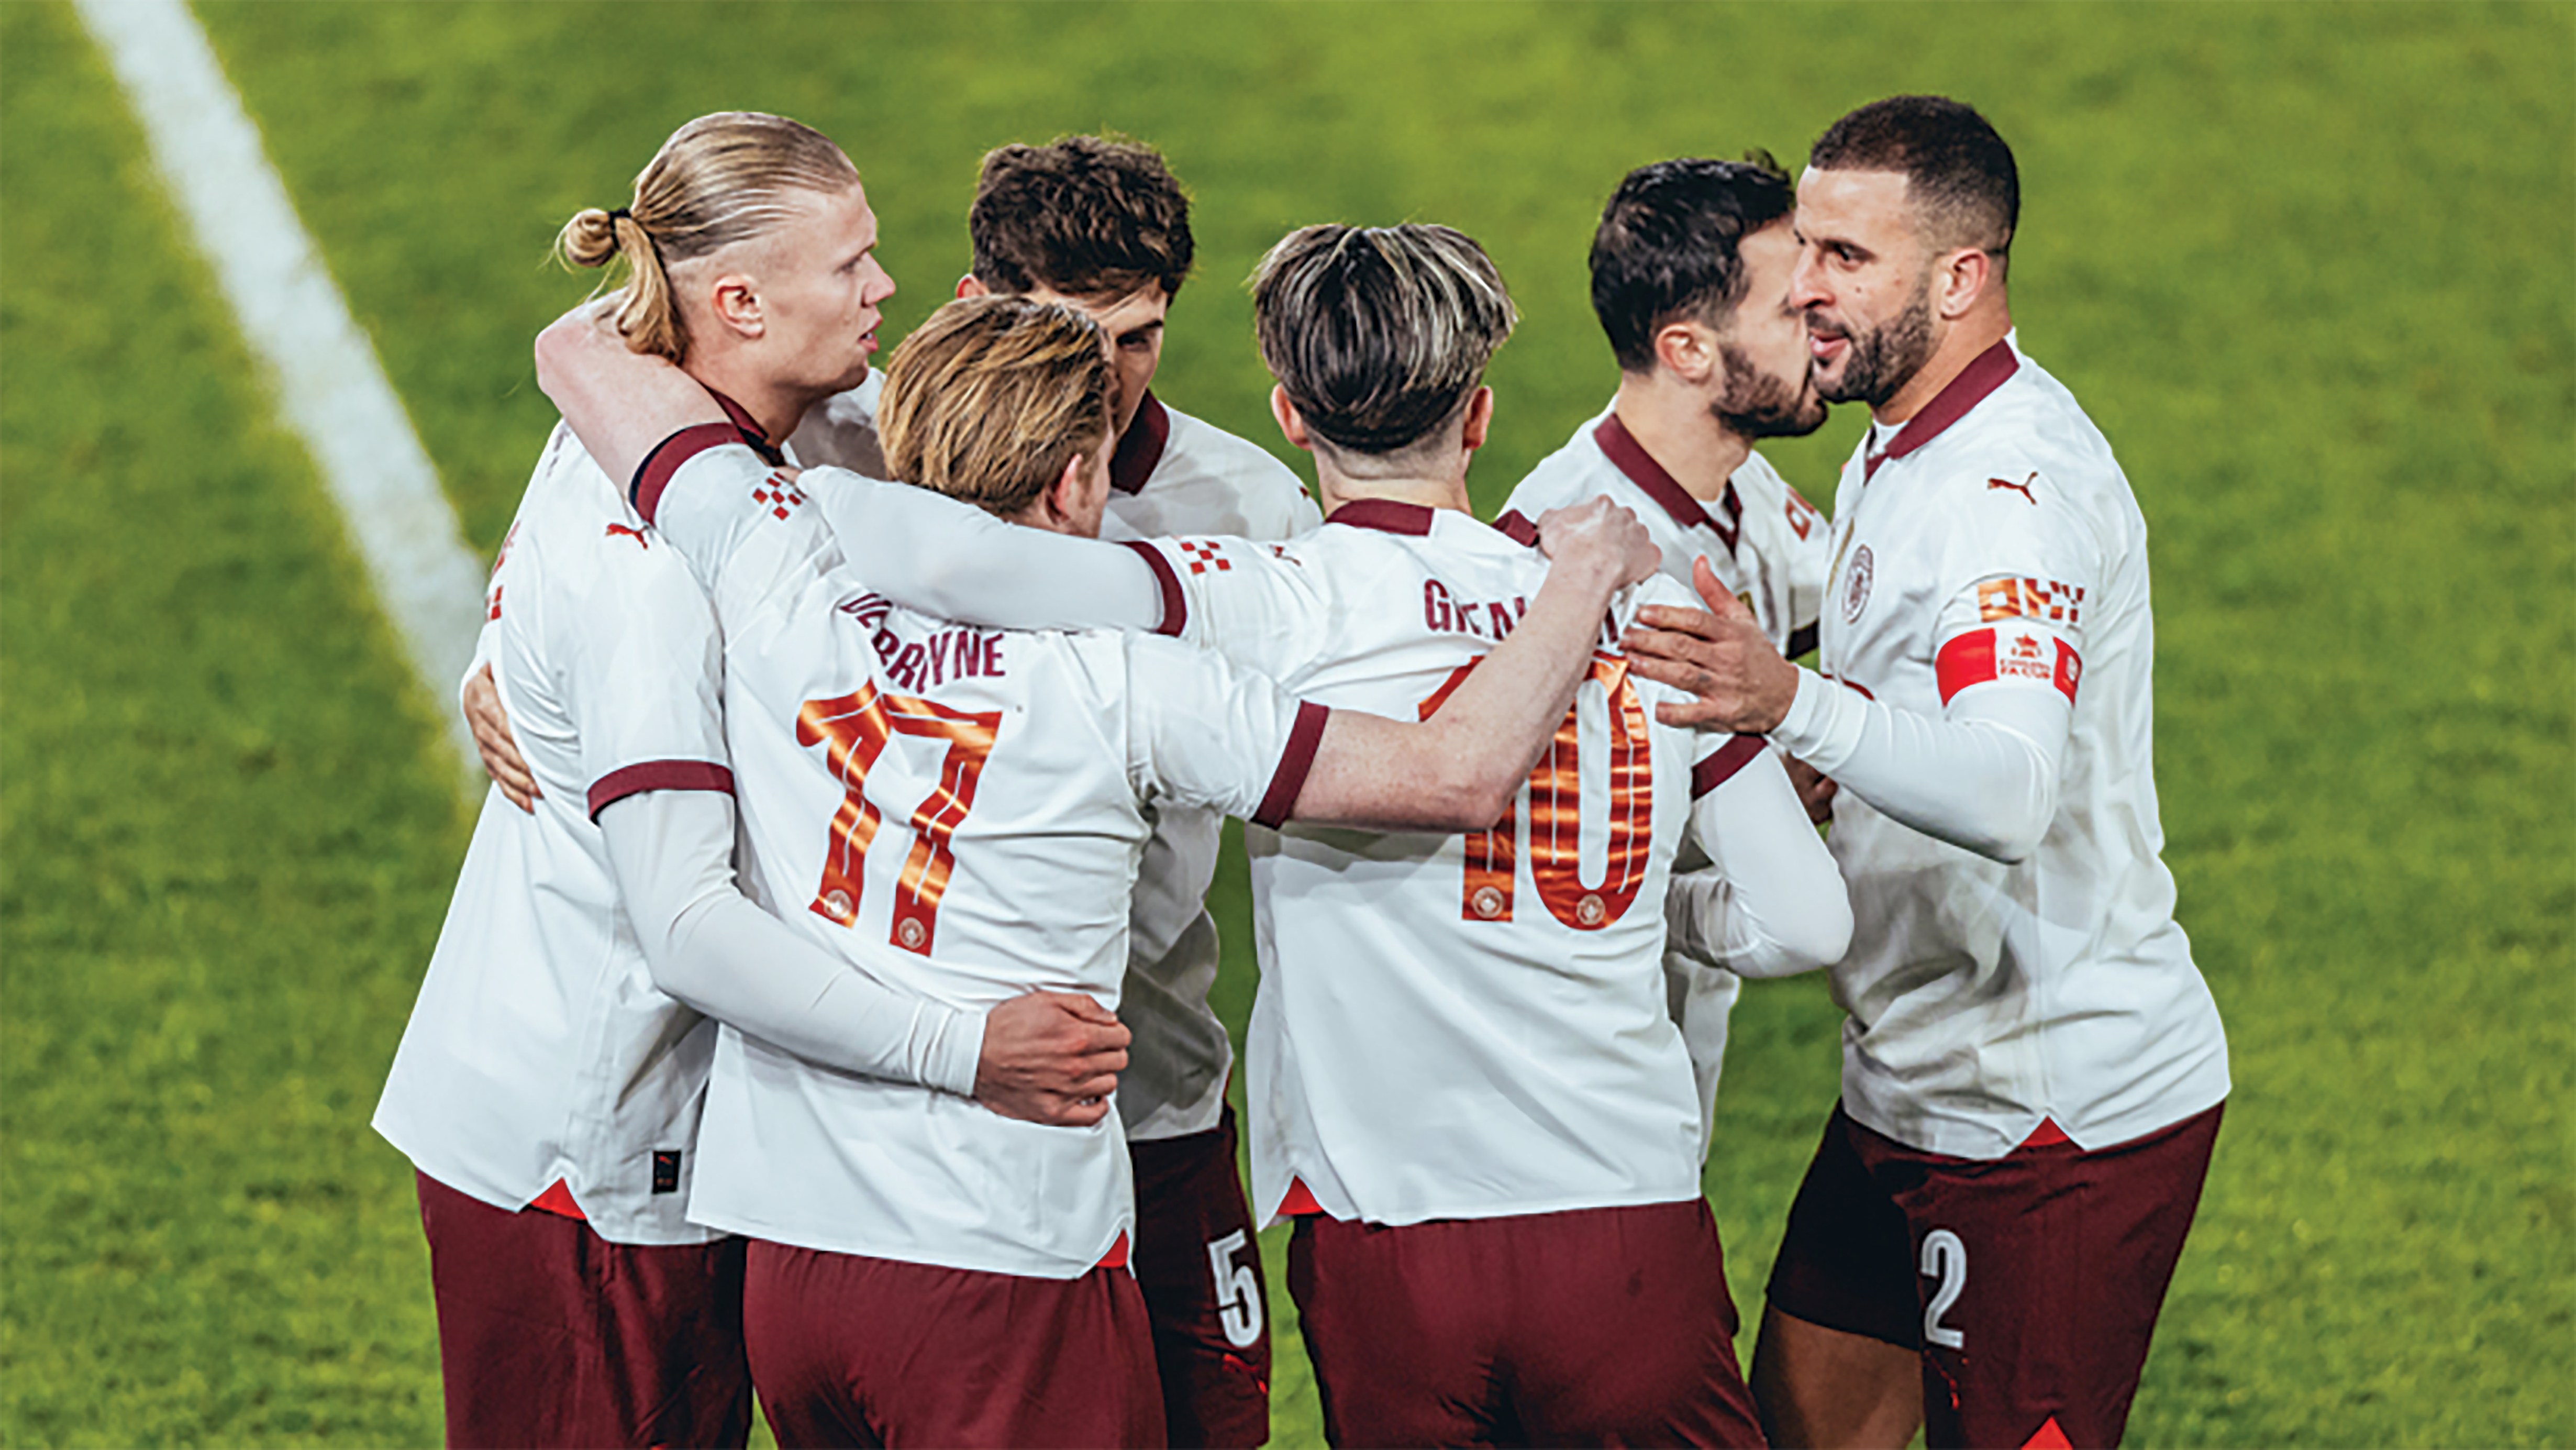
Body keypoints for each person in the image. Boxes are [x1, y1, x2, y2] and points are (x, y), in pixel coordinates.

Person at [652, 222, 1853, 1447]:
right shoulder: (1644, 604)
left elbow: (970, 566)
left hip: (1384, 1230)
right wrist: (1662, 904)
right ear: (1480, 416)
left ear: (1288, 414)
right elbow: (1807, 918)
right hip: (1625, 1217)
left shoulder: (1260, 596)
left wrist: (824, 489)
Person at [373, 112, 1122, 1449]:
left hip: (678, 1142)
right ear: (737, 304)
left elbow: (587, 346)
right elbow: (685, 926)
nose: (885, 289)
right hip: (582, 1162)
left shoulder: (731, 427)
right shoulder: (646, 571)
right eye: (852, 266)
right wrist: (970, 1052)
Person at [1621, 95, 2229, 1450]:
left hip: (2049, 1118)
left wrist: (1791, 705)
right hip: (1910, 1078)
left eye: (1847, 258)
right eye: (1805, 248)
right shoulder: (1905, 440)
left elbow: (2009, 791)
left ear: (1963, 279)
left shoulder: (2010, 492)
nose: (1802, 289)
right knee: (1804, 1426)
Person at [789, 135, 1316, 1447]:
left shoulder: (1244, 502)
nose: (1106, 380)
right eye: (1072, 336)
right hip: (914, 1117)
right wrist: (500, 660)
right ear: (970, 302)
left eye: (1138, 339)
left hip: (1154, 1093)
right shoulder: (841, 454)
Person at [1500, 153, 1836, 1148]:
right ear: (1688, 350)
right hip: (1577, 1091)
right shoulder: (1560, 552)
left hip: (1675, 1057)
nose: (1823, 328)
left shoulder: (1754, 493)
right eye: (1790, 310)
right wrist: (1767, 793)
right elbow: (1533, 836)